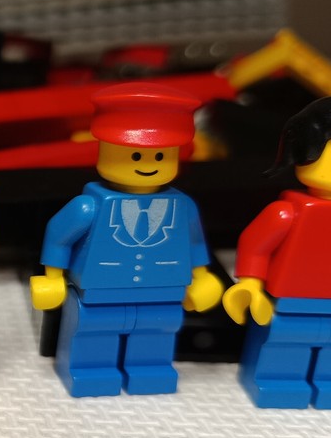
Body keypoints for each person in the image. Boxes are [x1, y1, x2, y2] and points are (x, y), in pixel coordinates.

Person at [31, 83, 223, 397]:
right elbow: (58, 236)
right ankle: (89, 371)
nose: (147, 164)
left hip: (164, 291)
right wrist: (52, 277)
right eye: (135, 154)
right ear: (105, 150)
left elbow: (194, 243)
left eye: (160, 155)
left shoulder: (183, 206)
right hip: (99, 291)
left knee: (157, 330)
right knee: (95, 330)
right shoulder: (89, 206)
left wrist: (202, 276)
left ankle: (150, 369)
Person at [223, 95, 331, 410]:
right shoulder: (288, 212)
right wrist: (250, 283)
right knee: (286, 341)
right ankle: (278, 382)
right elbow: (255, 244)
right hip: (292, 301)